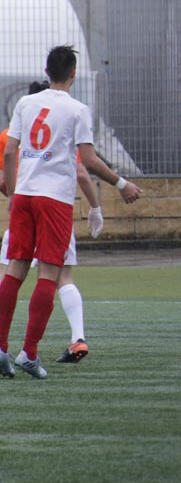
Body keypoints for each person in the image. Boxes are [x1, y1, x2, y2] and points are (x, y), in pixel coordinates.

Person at [0, 45, 142, 380]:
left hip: (25, 196)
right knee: (49, 274)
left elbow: (9, 152)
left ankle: (1, 348)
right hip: (54, 200)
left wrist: (13, 192)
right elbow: (88, 161)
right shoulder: (77, 110)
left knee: (14, 270)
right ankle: (28, 353)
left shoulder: (25, 103)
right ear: (73, 74)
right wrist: (122, 184)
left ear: (46, 71)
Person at [0, 123, 106, 364]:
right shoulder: (61, 133)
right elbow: (81, 174)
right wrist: (95, 207)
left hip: (24, 211)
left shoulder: (8, 136)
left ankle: (3, 344)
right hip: (56, 213)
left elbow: (3, 179)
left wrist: (15, 197)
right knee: (63, 277)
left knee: (8, 275)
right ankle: (77, 338)